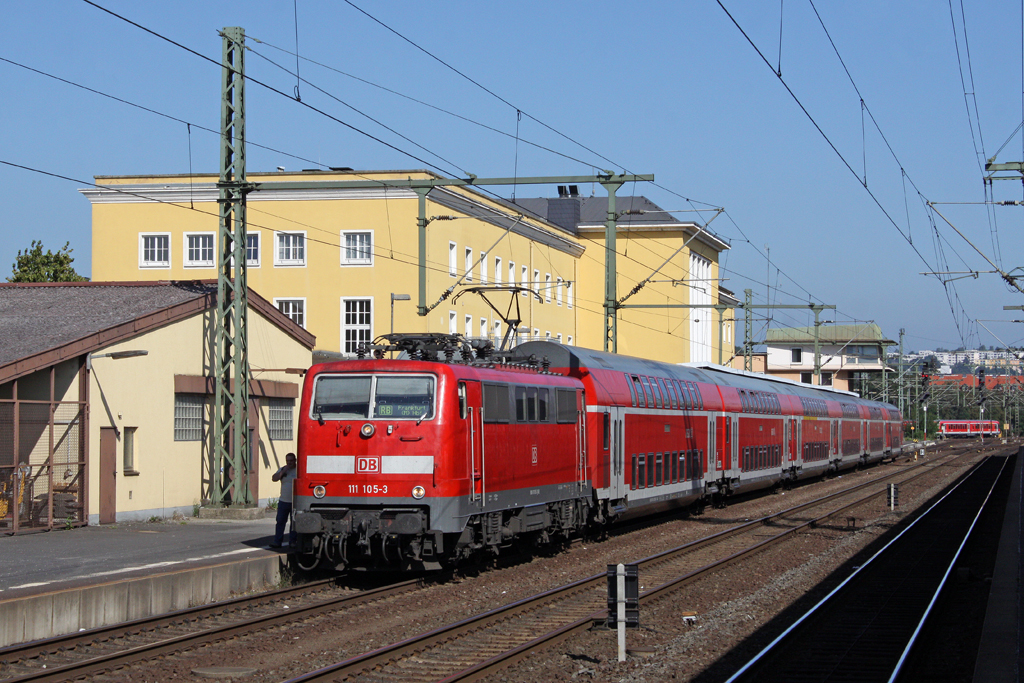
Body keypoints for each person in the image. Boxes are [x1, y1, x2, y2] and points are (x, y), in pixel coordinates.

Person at [270, 452, 297, 549]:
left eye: (291, 461)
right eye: (288, 461)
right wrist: (283, 471)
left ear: (295, 460)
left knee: (293, 523)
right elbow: (274, 478)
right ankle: (277, 541)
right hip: (283, 501)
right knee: (280, 521)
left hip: (295, 502)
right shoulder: (283, 469)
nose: (289, 463)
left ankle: (292, 542)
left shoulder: (299, 470)